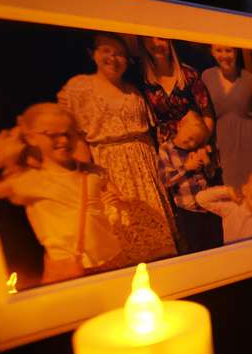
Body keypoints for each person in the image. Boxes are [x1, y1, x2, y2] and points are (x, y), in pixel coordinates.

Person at [58, 33, 177, 261]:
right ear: (92, 54)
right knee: (122, 241)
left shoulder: (134, 92)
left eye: (120, 54)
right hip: (108, 171)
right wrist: (96, 179)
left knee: (158, 247)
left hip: (145, 172)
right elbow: (74, 138)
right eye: (106, 51)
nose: (113, 58)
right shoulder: (79, 87)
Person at [0, 104, 124, 284]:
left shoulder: (94, 172)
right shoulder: (28, 180)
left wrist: (113, 205)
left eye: (68, 133)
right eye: (52, 134)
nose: (63, 140)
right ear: (32, 138)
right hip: (69, 271)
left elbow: (111, 200)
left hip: (112, 262)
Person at [201, 44, 252, 189]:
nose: (224, 55)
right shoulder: (207, 77)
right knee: (234, 195)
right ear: (211, 52)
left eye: (229, 50)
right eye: (219, 50)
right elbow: (204, 114)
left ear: (236, 51)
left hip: (251, 142)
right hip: (225, 146)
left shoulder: (248, 78)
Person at [158, 110, 224, 253]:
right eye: (188, 139)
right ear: (179, 126)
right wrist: (186, 167)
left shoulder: (197, 147)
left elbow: (211, 175)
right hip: (188, 209)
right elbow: (165, 180)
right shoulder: (166, 149)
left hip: (208, 206)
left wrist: (207, 163)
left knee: (216, 243)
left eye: (195, 141)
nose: (191, 144)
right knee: (195, 247)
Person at [136, 36, 216, 146]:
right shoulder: (142, 79)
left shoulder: (189, 75)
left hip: (194, 146)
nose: (156, 43)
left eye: (161, 38)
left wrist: (201, 145)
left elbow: (207, 116)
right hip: (166, 153)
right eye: (149, 37)